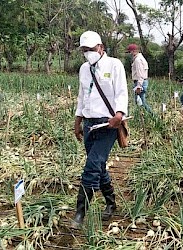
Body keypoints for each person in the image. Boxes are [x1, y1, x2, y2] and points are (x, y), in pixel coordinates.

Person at [73, 31, 128, 227]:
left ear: (101, 47)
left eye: (91, 49)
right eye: (84, 50)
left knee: (91, 166)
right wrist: (77, 121)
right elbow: (82, 96)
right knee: (97, 164)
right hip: (89, 124)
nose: (88, 53)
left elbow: (121, 92)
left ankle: (80, 213)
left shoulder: (114, 65)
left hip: (108, 124)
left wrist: (119, 114)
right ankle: (111, 202)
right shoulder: (84, 69)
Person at [126, 44, 152, 113]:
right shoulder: (140, 58)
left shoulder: (137, 60)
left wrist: (139, 86)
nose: (130, 53)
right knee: (140, 102)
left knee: (141, 103)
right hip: (141, 82)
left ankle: (152, 116)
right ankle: (144, 117)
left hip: (139, 82)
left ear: (134, 51)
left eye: (130, 52)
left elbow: (140, 74)